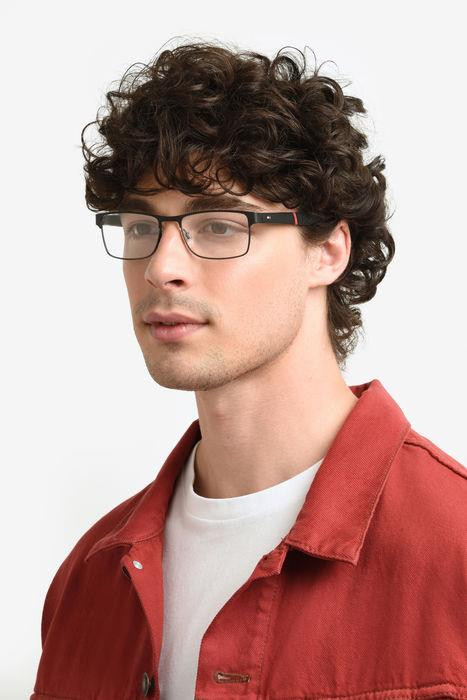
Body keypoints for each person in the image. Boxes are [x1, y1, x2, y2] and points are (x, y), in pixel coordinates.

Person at [30, 40, 466, 700]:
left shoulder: (452, 548)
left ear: (328, 251)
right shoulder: (88, 579)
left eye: (217, 226)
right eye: (142, 226)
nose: (161, 267)